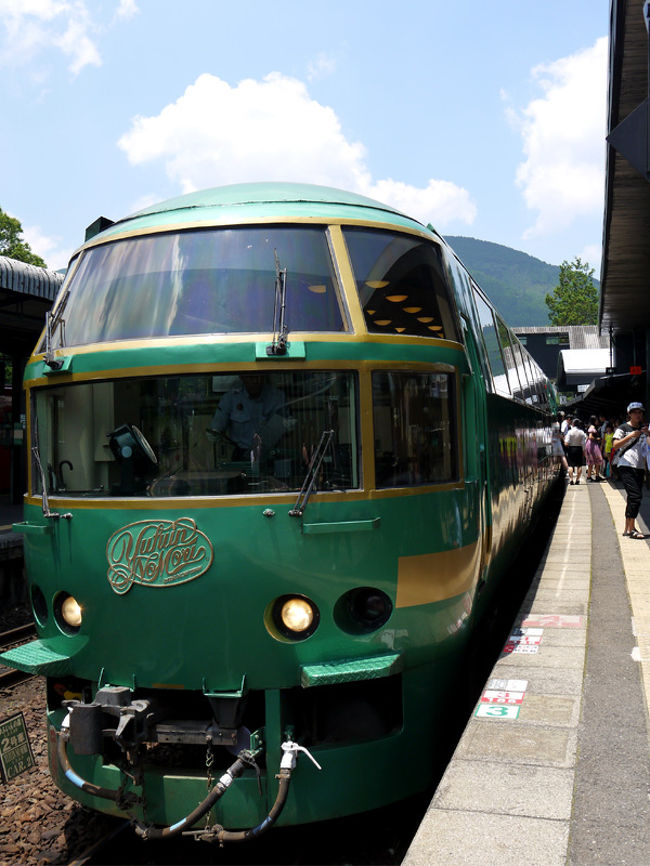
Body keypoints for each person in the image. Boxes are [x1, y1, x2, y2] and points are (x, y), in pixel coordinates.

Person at [209, 374, 288, 461]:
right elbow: (216, 428)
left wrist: (288, 425)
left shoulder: (277, 397)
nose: (255, 381)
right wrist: (214, 433)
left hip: (270, 456)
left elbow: (287, 426)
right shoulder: (231, 398)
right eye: (251, 377)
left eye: (259, 377)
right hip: (242, 455)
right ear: (242, 377)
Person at [611, 402, 649, 538]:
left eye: (640, 412)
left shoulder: (644, 429)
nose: (638, 415)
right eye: (635, 412)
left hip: (639, 467)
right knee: (635, 496)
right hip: (625, 465)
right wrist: (630, 436)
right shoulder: (623, 428)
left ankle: (627, 528)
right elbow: (615, 445)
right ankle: (632, 529)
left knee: (633, 497)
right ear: (629, 414)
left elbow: (646, 448)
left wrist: (648, 434)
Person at [564, 418, 587, 485]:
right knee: (579, 465)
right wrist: (583, 451)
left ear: (573, 424)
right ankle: (577, 480)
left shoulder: (570, 432)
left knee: (570, 465)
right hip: (579, 449)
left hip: (571, 449)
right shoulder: (582, 432)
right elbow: (583, 443)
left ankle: (571, 480)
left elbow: (566, 443)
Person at [585, 414, 603, 482]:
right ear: (594, 420)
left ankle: (591, 476)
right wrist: (597, 439)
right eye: (597, 420)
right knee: (596, 460)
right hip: (592, 445)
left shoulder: (590, 426)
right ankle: (595, 476)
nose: (598, 421)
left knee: (592, 461)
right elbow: (590, 436)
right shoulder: (592, 427)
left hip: (590, 445)